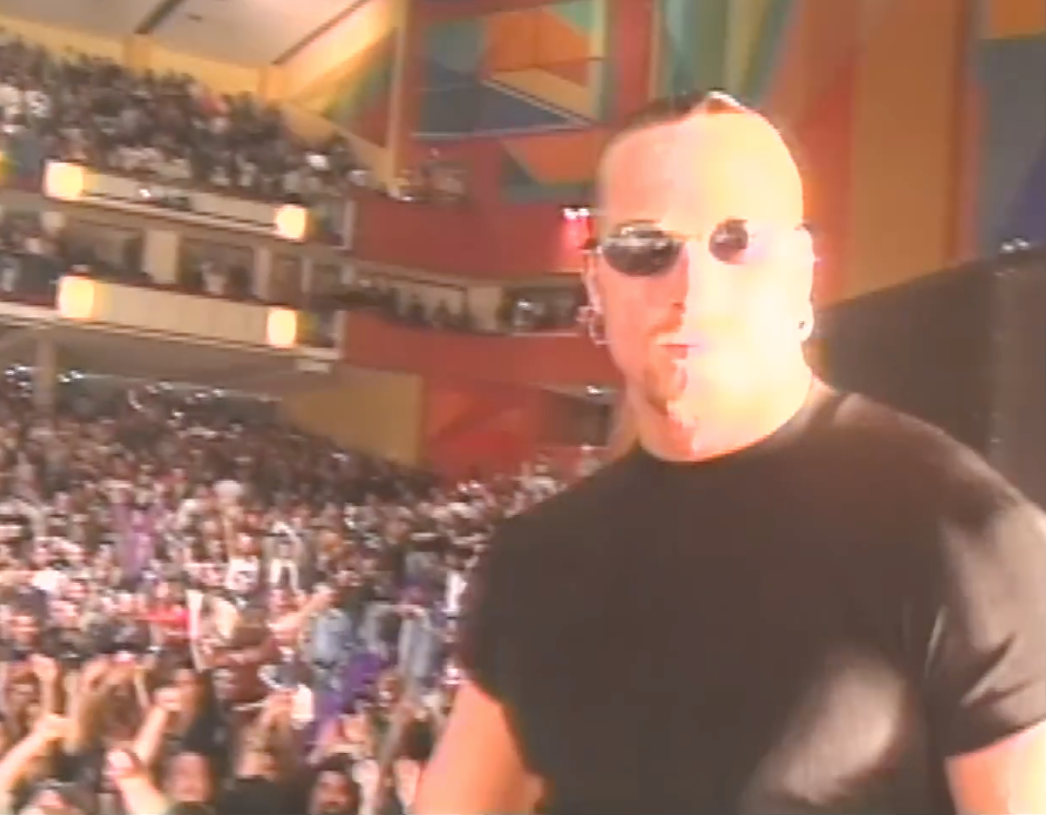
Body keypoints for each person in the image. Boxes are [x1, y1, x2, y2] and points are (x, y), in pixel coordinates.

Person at [414, 91, 1046, 814]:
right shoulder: (535, 561)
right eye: (644, 247)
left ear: (801, 274)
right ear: (596, 283)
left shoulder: (964, 536)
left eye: (737, 240)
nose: (693, 287)